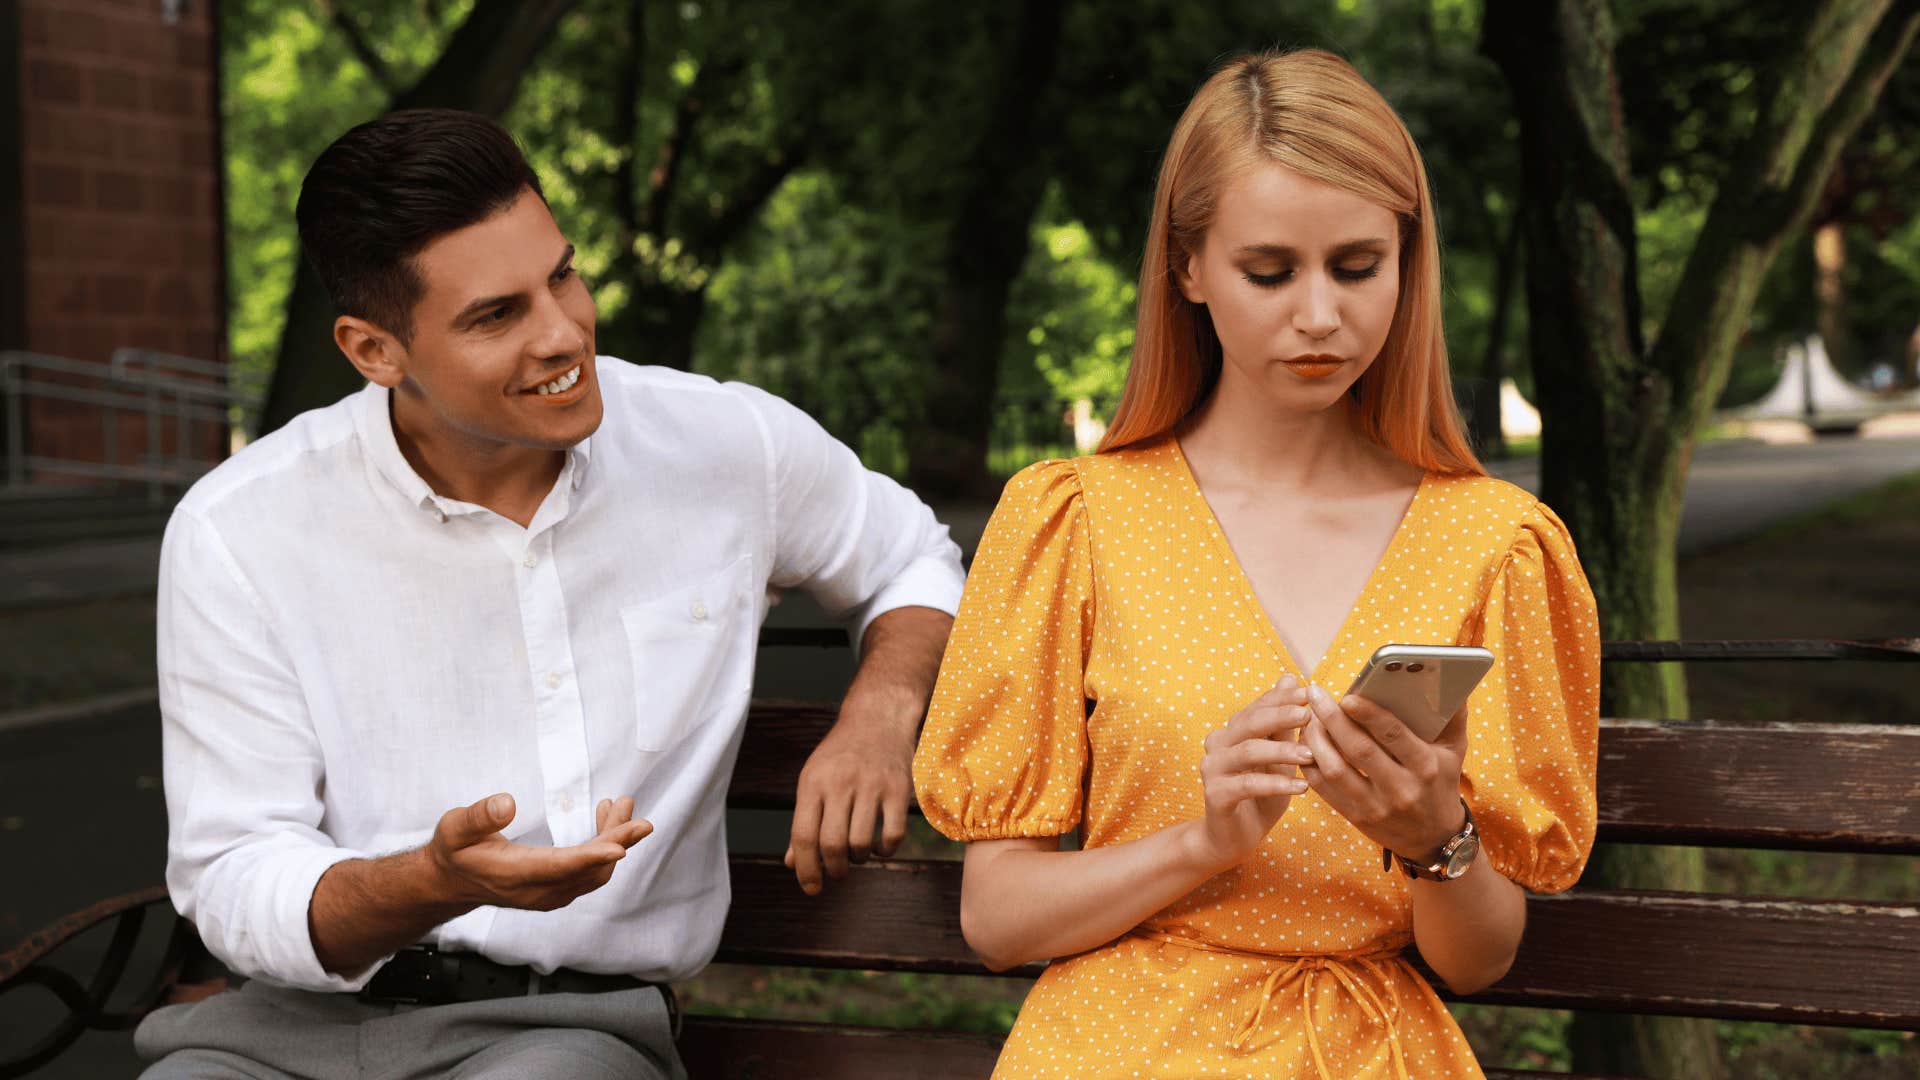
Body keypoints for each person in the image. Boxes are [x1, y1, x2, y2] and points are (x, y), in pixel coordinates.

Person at [136, 109, 964, 1079]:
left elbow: (911, 553)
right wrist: (425, 885)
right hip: (273, 1040)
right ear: (374, 352)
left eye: (562, 275)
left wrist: (881, 708)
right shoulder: (240, 527)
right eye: (498, 315)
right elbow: (234, 870)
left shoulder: (725, 446)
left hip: (562, 1032)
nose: (564, 333)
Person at [912, 49, 1599, 1079]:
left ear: (1410, 262)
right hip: (1117, 1043)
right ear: (1187, 268)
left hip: (1367, 1049)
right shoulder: (1077, 521)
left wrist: (1435, 834)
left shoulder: (1495, 545)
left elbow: (1479, 960)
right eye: (1269, 272)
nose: (1319, 315)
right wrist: (1205, 839)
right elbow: (998, 919)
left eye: (1358, 267)